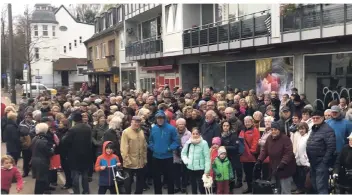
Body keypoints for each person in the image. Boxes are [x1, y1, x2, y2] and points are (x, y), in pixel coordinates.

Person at [257, 121, 296, 194]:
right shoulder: (269, 138)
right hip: (274, 166)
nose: (273, 131)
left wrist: (283, 163)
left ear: (279, 130)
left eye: (275, 129)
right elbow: (264, 150)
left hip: (285, 167)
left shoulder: (285, 139)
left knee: (285, 189)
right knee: (276, 189)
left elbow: (288, 153)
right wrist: (260, 159)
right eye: (272, 129)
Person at [62, 111, 92, 194]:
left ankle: (77, 192)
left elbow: (65, 141)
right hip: (86, 155)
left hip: (74, 155)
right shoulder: (88, 128)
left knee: (75, 175)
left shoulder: (73, 129)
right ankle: (86, 191)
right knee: (84, 175)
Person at [149, 110, 179, 194]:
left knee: (170, 178)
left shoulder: (171, 128)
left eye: (161, 118)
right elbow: (150, 141)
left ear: (164, 118)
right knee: (156, 178)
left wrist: (170, 148)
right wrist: (153, 148)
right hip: (156, 157)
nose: (160, 119)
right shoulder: (154, 128)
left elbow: (176, 141)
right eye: (158, 118)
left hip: (168, 157)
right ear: (156, 119)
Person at [306, 110, 336, 194]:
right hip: (313, 162)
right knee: (315, 185)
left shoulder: (327, 130)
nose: (315, 119)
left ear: (322, 118)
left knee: (321, 187)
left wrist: (324, 162)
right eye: (313, 118)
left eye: (317, 118)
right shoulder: (314, 128)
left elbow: (331, 148)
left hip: (321, 163)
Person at [120, 116, 147, 194]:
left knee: (140, 181)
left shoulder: (141, 131)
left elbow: (144, 146)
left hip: (140, 162)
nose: (137, 124)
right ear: (131, 122)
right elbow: (124, 148)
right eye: (135, 122)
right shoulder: (126, 132)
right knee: (128, 182)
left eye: (138, 122)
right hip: (129, 162)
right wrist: (127, 161)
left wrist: (144, 159)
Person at [181, 127, 210, 194]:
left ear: (199, 134)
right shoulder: (188, 142)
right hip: (191, 168)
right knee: (193, 185)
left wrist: (207, 170)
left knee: (201, 186)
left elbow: (207, 157)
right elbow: (183, 153)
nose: (195, 135)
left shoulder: (204, 143)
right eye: (193, 133)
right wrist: (187, 161)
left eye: (197, 133)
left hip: (200, 168)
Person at [31, 123, 54, 194]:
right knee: (41, 180)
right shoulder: (43, 140)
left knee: (38, 179)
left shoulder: (35, 138)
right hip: (42, 161)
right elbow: (49, 152)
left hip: (35, 159)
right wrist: (52, 149)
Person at [239, 116, 260, 194]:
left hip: (252, 156)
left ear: (252, 122)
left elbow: (256, 142)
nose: (247, 123)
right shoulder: (242, 131)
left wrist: (252, 151)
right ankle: (249, 188)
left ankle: (255, 189)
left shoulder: (255, 130)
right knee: (247, 174)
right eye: (245, 122)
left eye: (248, 121)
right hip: (244, 156)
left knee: (254, 174)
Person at [220, 120, 242, 190]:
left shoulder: (233, 135)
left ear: (230, 127)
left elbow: (235, 147)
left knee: (235, 170)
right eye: (224, 126)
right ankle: (228, 185)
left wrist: (225, 147)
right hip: (225, 156)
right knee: (228, 171)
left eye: (227, 126)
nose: (225, 127)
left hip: (234, 155)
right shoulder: (221, 135)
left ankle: (237, 183)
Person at [173, 118, 191, 193]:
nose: (181, 125)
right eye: (180, 124)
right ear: (177, 125)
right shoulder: (173, 132)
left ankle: (184, 186)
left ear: (185, 124)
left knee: (185, 172)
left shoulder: (189, 133)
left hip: (185, 155)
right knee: (176, 172)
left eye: (183, 124)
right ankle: (177, 186)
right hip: (175, 155)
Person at [292, 122, 310, 194]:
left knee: (305, 179)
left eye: (303, 129)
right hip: (298, 161)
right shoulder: (299, 137)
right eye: (299, 129)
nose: (301, 131)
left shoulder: (307, 137)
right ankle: (300, 189)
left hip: (305, 162)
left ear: (306, 129)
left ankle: (304, 190)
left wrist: (307, 161)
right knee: (299, 177)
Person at [19, 112, 35, 177]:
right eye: (26, 117)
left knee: (33, 158)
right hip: (25, 144)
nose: (27, 118)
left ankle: (34, 172)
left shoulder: (34, 123)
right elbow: (20, 133)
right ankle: (25, 172)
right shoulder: (21, 124)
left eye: (29, 117)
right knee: (26, 159)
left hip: (33, 143)